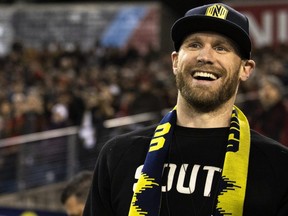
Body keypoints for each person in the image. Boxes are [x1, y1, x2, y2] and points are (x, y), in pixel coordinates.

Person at [83, 3, 288, 216]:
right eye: (194, 45)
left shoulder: (279, 166)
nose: (205, 56)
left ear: (245, 69)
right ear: (174, 61)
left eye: (221, 47)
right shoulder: (118, 156)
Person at [248, 75, 288, 147]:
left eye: (271, 88)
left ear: (279, 92)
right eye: (263, 88)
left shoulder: (285, 111)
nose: (266, 92)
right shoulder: (258, 114)